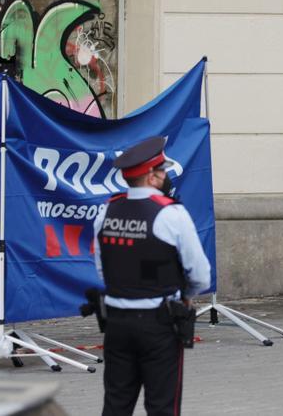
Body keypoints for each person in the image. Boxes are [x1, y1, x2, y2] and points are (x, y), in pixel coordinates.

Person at [93, 136, 211, 416]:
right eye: (162, 172)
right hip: (159, 324)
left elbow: (101, 267)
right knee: (162, 406)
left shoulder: (106, 210)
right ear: (152, 176)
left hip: (117, 322)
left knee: (116, 404)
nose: (165, 177)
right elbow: (201, 275)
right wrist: (186, 296)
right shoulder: (172, 214)